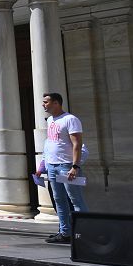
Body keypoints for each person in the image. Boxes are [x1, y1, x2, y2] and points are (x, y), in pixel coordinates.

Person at [41, 92, 88, 244]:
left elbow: (77, 144)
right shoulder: (50, 121)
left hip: (66, 165)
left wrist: (75, 166)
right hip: (52, 166)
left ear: (56, 103)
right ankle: (65, 232)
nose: (43, 104)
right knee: (59, 199)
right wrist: (44, 164)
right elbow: (50, 143)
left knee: (76, 200)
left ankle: (84, 233)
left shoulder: (70, 119)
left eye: (46, 102)